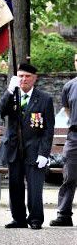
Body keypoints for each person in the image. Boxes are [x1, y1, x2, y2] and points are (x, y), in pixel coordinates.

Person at [0, 63, 55, 230]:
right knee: (15, 186)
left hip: (34, 149)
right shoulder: (12, 95)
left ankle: (36, 218)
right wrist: (9, 91)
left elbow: (48, 129)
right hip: (14, 149)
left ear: (35, 78)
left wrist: (44, 153)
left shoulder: (45, 99)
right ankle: (19, 219)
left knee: (35, 188)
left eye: (27, 76)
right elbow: (1, 111)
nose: (24, 79)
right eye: (21, 76)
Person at [50, 53, 77, 227]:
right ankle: (64, 215)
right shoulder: (69, 86)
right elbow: (67, 109)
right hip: (75, 136)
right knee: (69, 177)